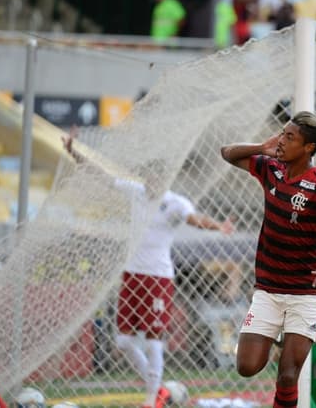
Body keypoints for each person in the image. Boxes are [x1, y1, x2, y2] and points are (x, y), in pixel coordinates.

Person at [62, 129, 233, 408]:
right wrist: (74, 152)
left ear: (166, 179)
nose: (153, 181)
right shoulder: (136, 192)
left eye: (158, 177)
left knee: (154, 339)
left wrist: (218, 226)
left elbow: (193, 219)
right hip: (132, 275)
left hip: (158, 277)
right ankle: (161, 388)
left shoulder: (175, 203)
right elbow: (102, 177)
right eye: (149, 176)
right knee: (123, 341)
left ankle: (152, 399)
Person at [220, 111, 316, 408]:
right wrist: (261, 147)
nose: (282, 140)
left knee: (288, 376)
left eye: (290, 137)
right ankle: (280, 336)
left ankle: (287, 344)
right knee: (246, 366)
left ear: (308, 148)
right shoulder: (271, 168)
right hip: (268, 290)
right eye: (283, 133)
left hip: (306, 294)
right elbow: (227, 154)